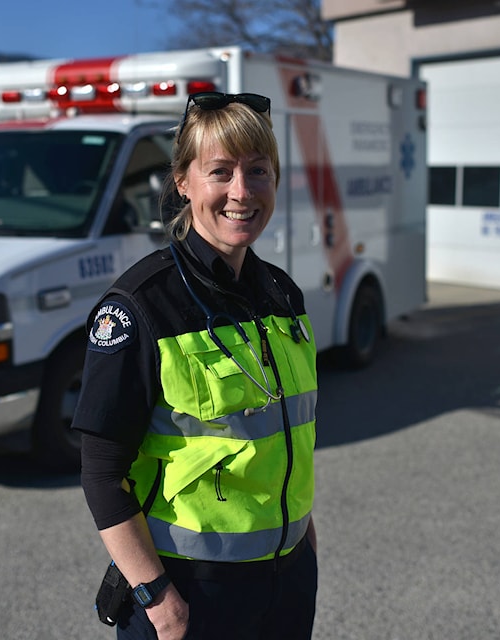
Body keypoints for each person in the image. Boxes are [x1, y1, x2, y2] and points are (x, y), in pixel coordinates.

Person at [72, 91, 318, 640]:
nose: (241, 192)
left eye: (258, 171)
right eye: (219, 172)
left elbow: (284, 434)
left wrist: (305, 540)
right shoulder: (141, 304)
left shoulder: (282, 293)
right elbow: (101, 473)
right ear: (183, 181)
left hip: (288, 580)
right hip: (191, 593)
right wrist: (159, 600)